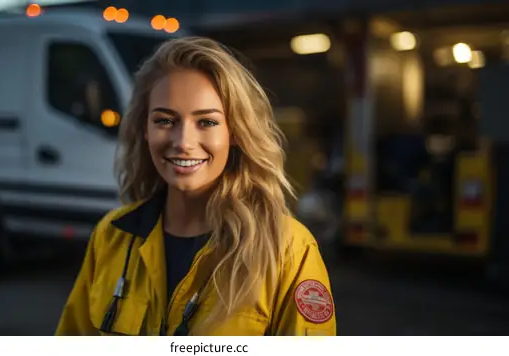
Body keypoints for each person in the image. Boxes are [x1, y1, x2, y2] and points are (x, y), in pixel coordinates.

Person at [54, 36, 336, 336]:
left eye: (207, 122)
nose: (184, 143)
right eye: (164, 120)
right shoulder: (111, 237)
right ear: (144, 129)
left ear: (236, 132)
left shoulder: (289, 249)